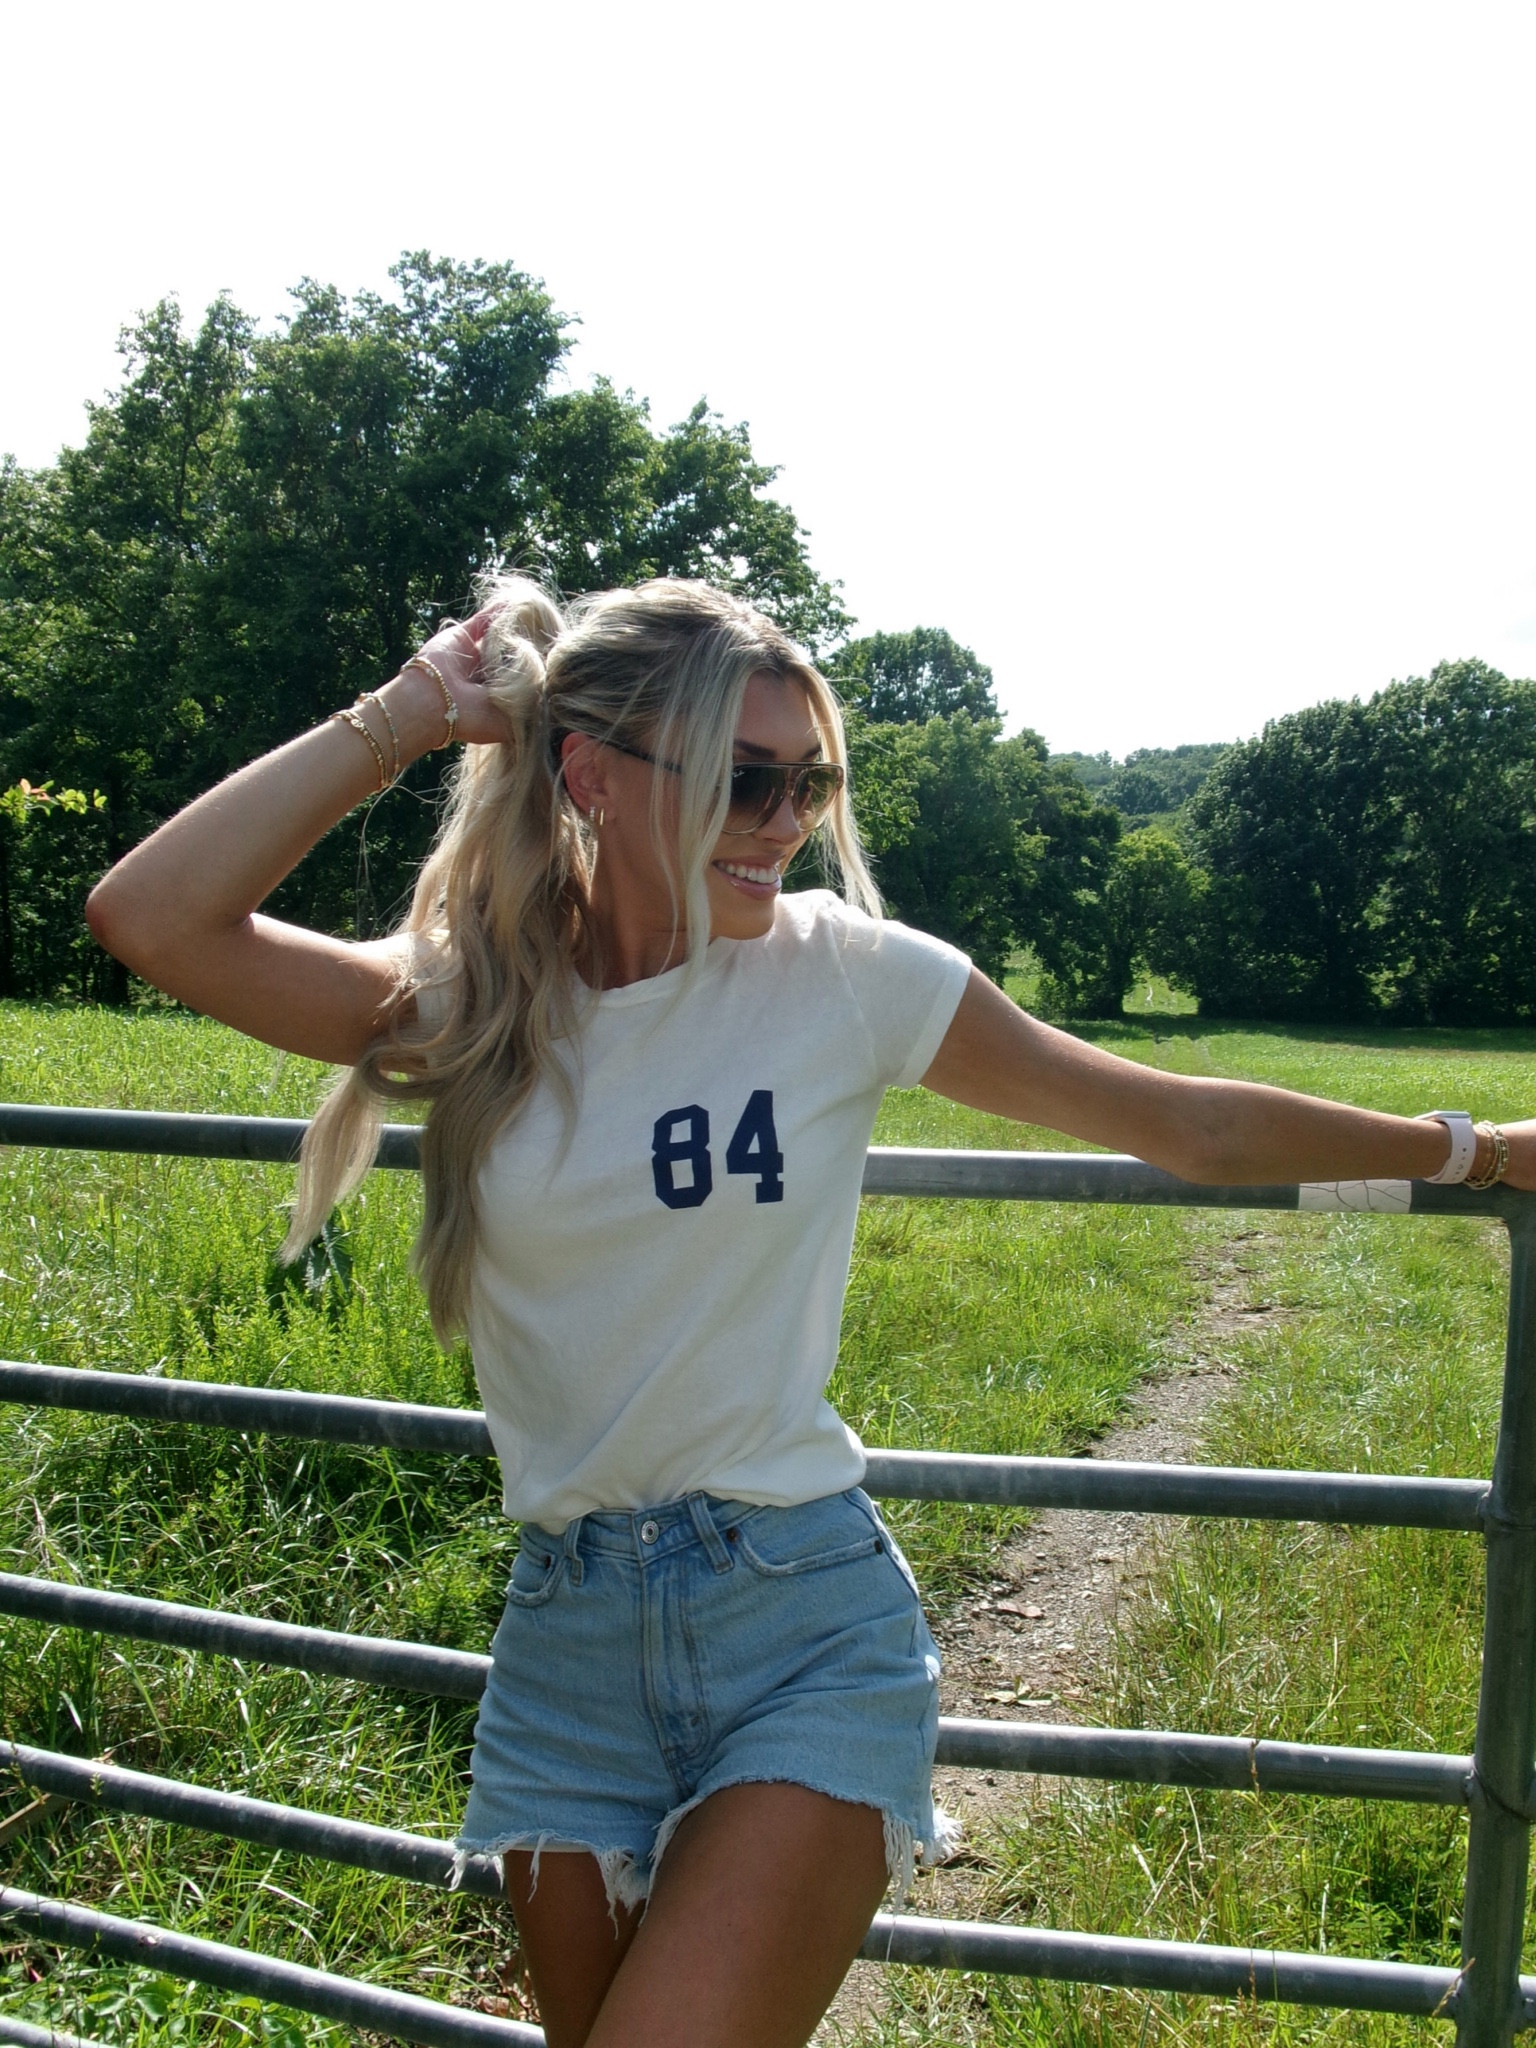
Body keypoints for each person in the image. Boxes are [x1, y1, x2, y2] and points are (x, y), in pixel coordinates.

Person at [86, 577, 1533, 2048]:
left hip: (797, 1616)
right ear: (589, 774)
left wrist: (1473, 1150)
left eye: (809, 780)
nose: (785, 820)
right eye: (744, 778)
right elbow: (150, 917)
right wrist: (403, 717)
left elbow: (1186, 1128)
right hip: (564, 1640)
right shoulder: (478, 1001)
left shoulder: (844, 976)